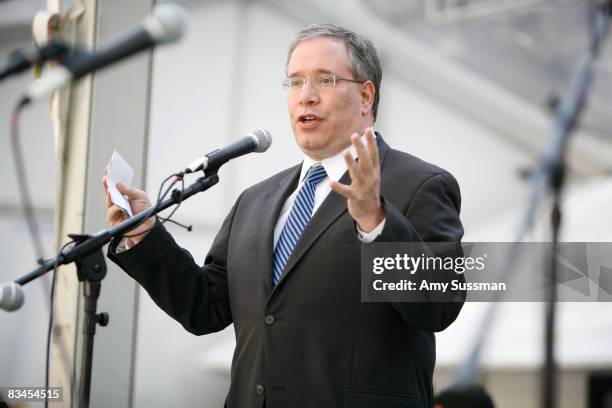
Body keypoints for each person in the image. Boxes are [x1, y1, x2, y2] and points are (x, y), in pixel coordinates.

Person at [103, 24, 464, 408]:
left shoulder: (419, 184)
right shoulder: (255, 201)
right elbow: (205, 308)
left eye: (324, 80)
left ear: (365, 95)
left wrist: (376, 222)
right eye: (294, 83)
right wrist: (145, 235)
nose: (305, 97)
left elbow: (438, 304)